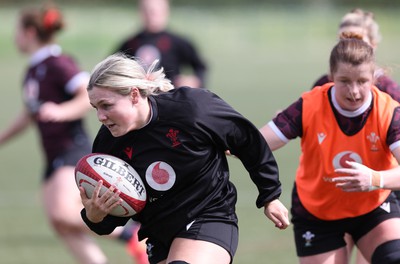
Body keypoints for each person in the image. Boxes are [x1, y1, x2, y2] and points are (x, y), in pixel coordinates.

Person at [78, 53, 290, 264]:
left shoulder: (192, 109)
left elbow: (247, 140)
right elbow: (118, 212)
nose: (100, 117)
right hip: (159, 235)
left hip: (209, 215)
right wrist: (95, 216)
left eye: (107, 105)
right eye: (96, 108)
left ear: (134, 95)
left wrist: (269, 195)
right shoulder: (108, 145)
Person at [0, 5, 147, 264]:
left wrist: (61, 111)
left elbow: (85, 93)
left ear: (30, 32)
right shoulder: (33, 70)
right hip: (52, 155)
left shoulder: (58, 63)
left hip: (71, 149)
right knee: (61, 224)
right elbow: (29, 114)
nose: (15, 37)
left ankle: (133, 236)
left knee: (63, 213)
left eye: (18, 31)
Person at [259, 33, 400, 264]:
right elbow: (258, 142)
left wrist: (375, 178)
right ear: (331, 76)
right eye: (344, 81)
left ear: (373, 78)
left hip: (373, 207)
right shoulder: (309, 105)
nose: (354, 91)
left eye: (362, 81)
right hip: (317, 212)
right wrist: (227, 141)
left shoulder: (388, 112)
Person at [311, 8, 400, 263]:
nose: (349, 46)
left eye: (356, 40)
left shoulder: (387, 89)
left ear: (372, 45)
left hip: (379, 189)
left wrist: (375, 177)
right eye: (342, 40)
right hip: (337, 186)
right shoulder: (324, 83)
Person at [114, 0, 207, 88]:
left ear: (166, 11)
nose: (151, 15)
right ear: (140, 12)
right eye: (148, 10)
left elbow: (200, 67)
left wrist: (195, 80)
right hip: (140, 100)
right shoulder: (131, 43)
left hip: (171, 98)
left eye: (155, 11)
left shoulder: (177, 41)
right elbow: (111, 68)